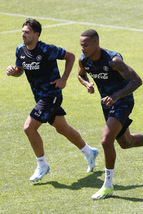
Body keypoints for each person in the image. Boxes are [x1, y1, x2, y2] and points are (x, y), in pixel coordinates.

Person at [78, 29, 143, 200]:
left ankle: (108, 186)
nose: (83, 48)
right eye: (81, 45)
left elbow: (137, 81)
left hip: (123, 101)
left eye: (86, 45)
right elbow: (80, 75)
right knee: (125, 143)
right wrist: (87, 84)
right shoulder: (84, 59)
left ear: (96, 43)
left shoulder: (114, 61)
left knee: (106, 140)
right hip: (107, 103)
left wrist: (116, 96)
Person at [6, 19, 98, 182]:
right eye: (22, 31)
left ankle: (42, 165)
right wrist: (14, 72)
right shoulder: (20, 50)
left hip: (52, 95)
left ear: (36, 34)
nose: (23, 34)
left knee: (29, 128)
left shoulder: (47, 50)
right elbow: (20, 70)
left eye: (26, 32)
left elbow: (70, 56)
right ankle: (89, 152)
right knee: (62, 128)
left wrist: (64, 79)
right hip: (40, 97)